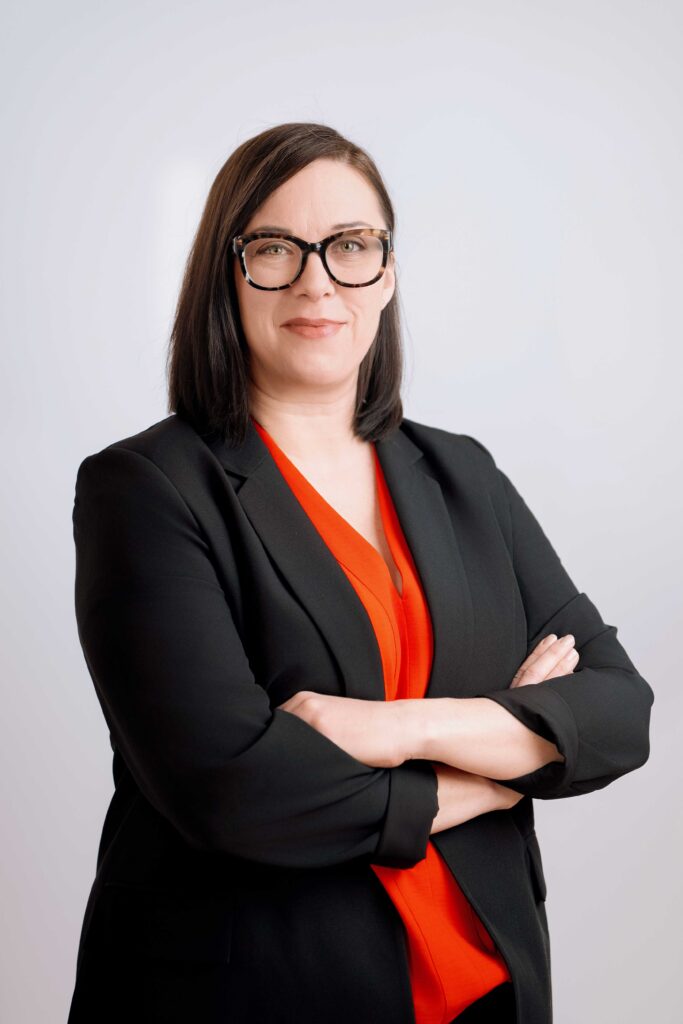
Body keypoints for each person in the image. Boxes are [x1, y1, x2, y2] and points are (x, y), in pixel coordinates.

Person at [66, 122, 654, 1024]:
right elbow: (236, 793)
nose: (316, 280)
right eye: (274, 247)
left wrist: (391, 728)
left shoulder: (461, 472)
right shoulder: (146, 489)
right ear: (227, 273)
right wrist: (503, 766)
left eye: (349, 246)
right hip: (257, 994)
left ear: (386, 274)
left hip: (487, 988)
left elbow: (617, 711)